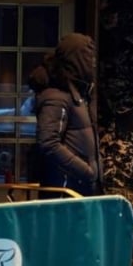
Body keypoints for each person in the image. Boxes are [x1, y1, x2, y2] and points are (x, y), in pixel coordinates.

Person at [28, 33, 102, 198]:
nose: (93, 63)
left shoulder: (77, 93)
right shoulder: (57, 96)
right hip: (65, 189)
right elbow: (48, 143)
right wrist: (86, 171)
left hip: (77, 188)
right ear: (77, 60)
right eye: (89, 57)